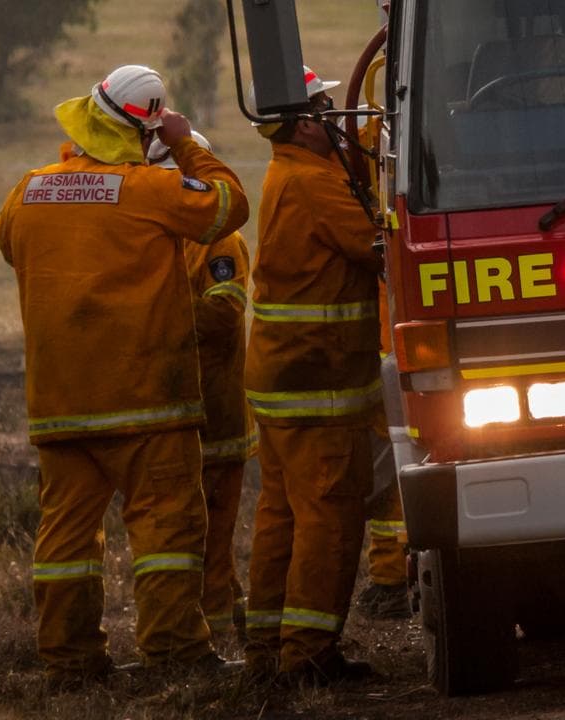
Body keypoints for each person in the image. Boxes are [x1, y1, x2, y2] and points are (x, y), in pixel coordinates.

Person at [0, 65, 249, 688]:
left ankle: (70, 663)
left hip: (59, 407)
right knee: (166, 529)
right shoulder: (146, 190)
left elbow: (11, 245)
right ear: (147, 129)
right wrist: (186, 142)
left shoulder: (27, 190)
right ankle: (175, 651)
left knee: (65, 544)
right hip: (146, 403)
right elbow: (228, 205)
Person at [243, 65, 384, 684]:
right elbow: (378, 241)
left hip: (282, 376)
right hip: (317, 379)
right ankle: (307, 654)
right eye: (327, 108)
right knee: (328, 513)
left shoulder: (290, 172)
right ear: (303, 123)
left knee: (282, 513)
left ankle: (267, 646)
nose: (338, 116)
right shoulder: (312, 182)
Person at [148, 131, 256, 643]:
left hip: (216, 415)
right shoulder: (158, 235)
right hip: (174, 410)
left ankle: (212, 620)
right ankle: (227, 604)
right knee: (190, 524)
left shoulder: (219, 241)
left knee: (212, 525)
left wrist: (151, 320)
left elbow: (225, 310)